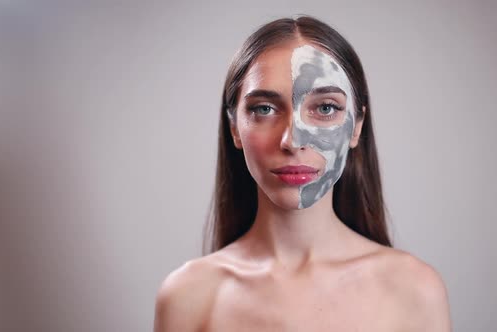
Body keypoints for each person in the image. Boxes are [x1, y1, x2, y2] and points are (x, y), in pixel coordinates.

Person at [154, 15, 451, 331]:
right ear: (234, 128)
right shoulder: (188, 296)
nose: (293, 140)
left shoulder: (414, 290)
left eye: (325, 108)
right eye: (264, 109)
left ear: (357, 126)